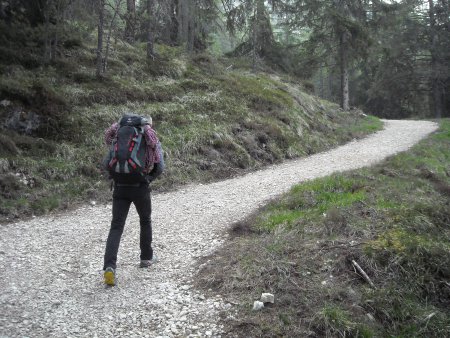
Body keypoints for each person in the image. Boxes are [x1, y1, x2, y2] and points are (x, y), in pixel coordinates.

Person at [102, 114, 164, 286]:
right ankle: (146, 258)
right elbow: (160, 167)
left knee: (116, 226)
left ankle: (109, 267)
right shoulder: (149, 137)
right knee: (145, 221)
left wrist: (115, 178)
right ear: (149, 124)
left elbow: (106, 163)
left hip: (120, 187)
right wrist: (147, 179)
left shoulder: (119, 135)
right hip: (140, 186)